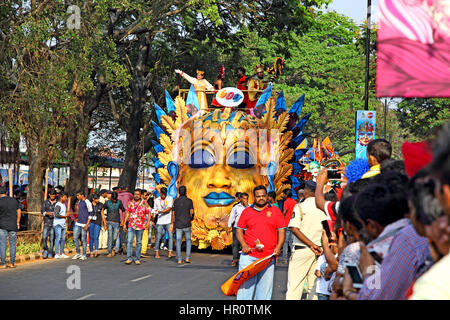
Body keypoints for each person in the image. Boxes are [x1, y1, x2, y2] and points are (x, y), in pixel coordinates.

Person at [235, 185, 286, 300]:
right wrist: (244, 245)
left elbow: (282, 232)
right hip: (249, 256)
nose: (261, 198)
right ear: (254, 197)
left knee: (265, 290)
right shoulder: (247, 211)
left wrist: (278, 247)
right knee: (245, 289)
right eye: (258, 196)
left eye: (263, 196)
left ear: (267, 196)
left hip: (268, 257)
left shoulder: (276, 211)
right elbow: (239, 230)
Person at [286, 180, 327, 300]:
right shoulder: (323, 207)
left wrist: (311, 244)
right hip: (320, 251)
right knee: (313, 287)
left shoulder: (300, 206)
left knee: (295, 286)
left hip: (302, 249)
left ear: (307, 192)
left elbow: (294, 228)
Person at [123, 189, 152, 265]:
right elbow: (128, 213)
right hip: (131, 225)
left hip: (141, 225)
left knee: (139, 242)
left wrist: (148, 223)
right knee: (129, 241)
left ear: (140, 195)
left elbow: (149, 213)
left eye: (138, 194)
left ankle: (137, 258)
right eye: (135, 194)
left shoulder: (144, 203)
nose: (136, 195)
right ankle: (129, 258)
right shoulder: (130, 203)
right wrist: (124, 223)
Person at [171, 186, 194, 264]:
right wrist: (190, 218)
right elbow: (191, 212)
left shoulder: (175, 201)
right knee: (188, 241)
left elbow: (173, 214)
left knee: (178, 241)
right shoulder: (189, 201)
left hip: (178, 224)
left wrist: (172, 223)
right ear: (186, 192)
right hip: (187, 223)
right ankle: (187, 258)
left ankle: (179, 259)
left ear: (179, 192)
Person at [0, 185, 21, 268]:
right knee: (12, 244)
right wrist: (18, 222)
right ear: (7, 192)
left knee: (2, 244)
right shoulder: (14, 200)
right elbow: (19, 211)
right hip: (13, 225)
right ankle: (12, 263)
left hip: (2, 226)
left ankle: (3, 263)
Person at [227, 192, 249, 267]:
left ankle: (246, 260)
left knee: (246, 244)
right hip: (237, 227)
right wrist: (229, 226)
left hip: (247, 228)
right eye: (244, 198)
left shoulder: (250, 207)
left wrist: (247, 206)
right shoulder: (236, 207)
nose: (245, 200)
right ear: (241, 199)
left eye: (246, 198)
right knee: (236, 244)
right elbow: (232, 217)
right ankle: (235, 259)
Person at [101, 191, 125, 257]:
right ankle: (109, 251)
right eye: (113, 199)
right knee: (110, 237)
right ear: (111, 198)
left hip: (117, 221)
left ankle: (112, 248)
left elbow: (123, 211)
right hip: (109, 221)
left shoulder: (119, 202)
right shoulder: (107, 202)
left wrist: (122, 220)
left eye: (115, 199)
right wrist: (104, 220)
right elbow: (102, 210)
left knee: (114, 237)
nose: (114, 200)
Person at [154, 187, 174, 259]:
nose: (163, 196)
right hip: (160, 221)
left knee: (170, 236)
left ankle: (170, 252)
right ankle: (156, 253)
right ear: (160, 193)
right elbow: (155, 211)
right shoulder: (156, 200)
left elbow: (169, 209)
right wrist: (153, 218)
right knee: (158, 237)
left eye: (164, 194)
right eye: (162, 194)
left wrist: (160, 212)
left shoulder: (170, 199)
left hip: (168, 221)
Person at [72, 190, 93, 260]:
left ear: (82, 195)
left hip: (84, 223)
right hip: (78, 222)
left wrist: (87, 224)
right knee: (75, 237)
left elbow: (90, 214)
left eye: (78, 195)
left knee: (83, 239)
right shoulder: (79, 202)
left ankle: (84, 254)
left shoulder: (87, 202)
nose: (77, 197)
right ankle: (78, 253)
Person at [281, 189, 297, 264]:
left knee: (285, 242)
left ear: (286, 195)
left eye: (283, 194)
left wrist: (281, 220)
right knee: (292, 242)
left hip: (286, 224)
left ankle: (284, 259)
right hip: (293, 224)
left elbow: (284, 212)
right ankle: (293, 258)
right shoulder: (295, 202)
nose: (283, 195)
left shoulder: (286, 202)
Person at [41, 190, 57, 259]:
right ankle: (45, 249)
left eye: (53, 195)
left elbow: (60, 212)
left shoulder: (58, 203)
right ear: (49, 195)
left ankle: (50, 252)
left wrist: (55, 214)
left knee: (52, 238)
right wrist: (47, 213)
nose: (52, 196)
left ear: (55, 195)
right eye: (51, 195)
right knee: (44, 237)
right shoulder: (45, 202)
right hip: (47, 222)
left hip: (54, 223)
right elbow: (42, 211)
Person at [117, 186, 133, 254]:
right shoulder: (129, 195)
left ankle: (120, 245)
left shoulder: (118, 195)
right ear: (126, 189)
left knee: (120, 231)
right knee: (127, 231)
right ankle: (124, 243)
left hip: (119, 216)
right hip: (127, 215)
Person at [53, 192, 69, 259]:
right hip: (58, 224)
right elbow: (56, 214)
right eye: (65, 197)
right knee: (58, 238)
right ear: (61, 197)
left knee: (63, 239)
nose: (66, 198)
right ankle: (56, 253)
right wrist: (64, 216)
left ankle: (62, 253)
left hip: (63, 224)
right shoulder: (58, 205)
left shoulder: (64, 204)